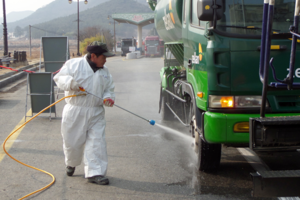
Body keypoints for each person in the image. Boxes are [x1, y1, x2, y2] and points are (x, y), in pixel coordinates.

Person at [53, 41, 115, 185]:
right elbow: (59, 78)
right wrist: (70, 84)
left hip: (96, 112)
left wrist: (108, 98)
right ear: (93, 56)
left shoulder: (105, 71)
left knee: (97, 142)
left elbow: (109, 89)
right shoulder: (73, 64)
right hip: (75, 110)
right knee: (72, 142)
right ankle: (71, 163)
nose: (106, 60)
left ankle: (95, 172)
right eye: (103, 57)